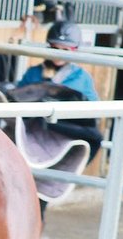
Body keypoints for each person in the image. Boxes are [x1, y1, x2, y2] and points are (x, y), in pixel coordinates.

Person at [14, 18, 103, 163]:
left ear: (73, 51)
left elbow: (93, 108)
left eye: (65, 50)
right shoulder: (34, 72)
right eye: (56, 48)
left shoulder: (82, 77)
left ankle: (69, 170)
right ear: (50, 47)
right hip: (39, 121)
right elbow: (19, 95)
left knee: (96, 137)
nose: (59, 54)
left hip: (64, 124)